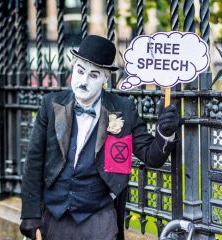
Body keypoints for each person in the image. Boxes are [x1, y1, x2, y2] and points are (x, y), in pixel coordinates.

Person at [19, 35, 179, 240]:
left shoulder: (123, 109)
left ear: (105, 78)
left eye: (94, 75)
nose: (83, 81)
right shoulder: (50, 105)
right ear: (73, 68)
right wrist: (30, 215)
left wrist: (165, 133)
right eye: (80, 71)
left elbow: (151, 156)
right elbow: (34, 162)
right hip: (54, 215)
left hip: (99, 219)